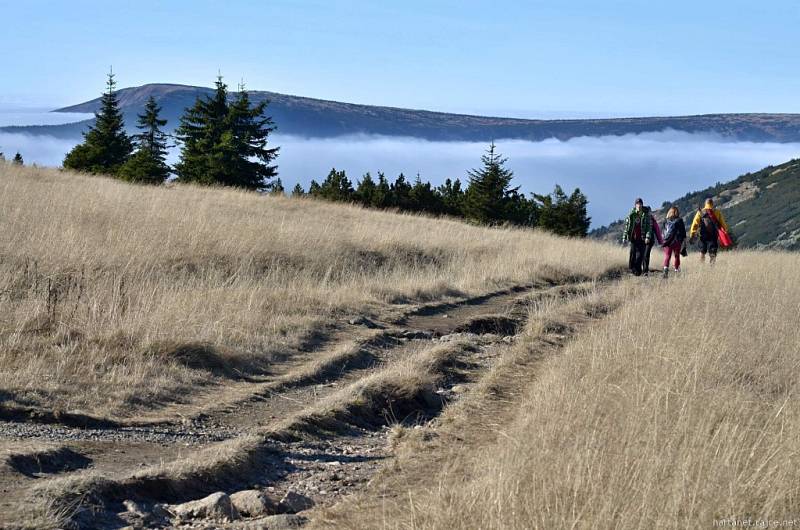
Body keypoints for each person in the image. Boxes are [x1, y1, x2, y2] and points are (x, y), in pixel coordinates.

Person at [689, 198, 729, 265]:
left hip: (703, 234)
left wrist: (692, 233)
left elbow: (694, 224)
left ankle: (701, 266)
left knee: (702, 251)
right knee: (713, 251)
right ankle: (712, 267)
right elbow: (723, 223)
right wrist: (725, 231)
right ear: (712, 204)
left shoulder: (700, 212)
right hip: (713, 235)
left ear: (705, 204)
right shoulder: (717, 212)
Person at [622, 198, 653, 276]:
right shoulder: (631, 215)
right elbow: (627, 227)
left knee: (640, 255)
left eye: (640, 204)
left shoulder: (645, 215)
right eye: (637, 204)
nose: (639, 205)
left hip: (642, 238)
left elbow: (649, 227)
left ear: (642, 205)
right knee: (632, 254)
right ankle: (632, 269)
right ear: (635, 205)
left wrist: (647, 237)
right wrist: (624, 237)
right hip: (633, 238)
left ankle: (638, 271)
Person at [661, 206, 686, 278]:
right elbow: (683, 232)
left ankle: (665, 270)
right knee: (677, 256)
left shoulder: (665, 220)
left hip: (667, 242)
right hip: (677, 241)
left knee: (667, 256)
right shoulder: (679, 220)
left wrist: (664, 241)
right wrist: (684, 242)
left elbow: (663, 232)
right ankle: (676, 270)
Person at [642, 204, 663, 275]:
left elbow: (657, 231)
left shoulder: (652, 220)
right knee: (642, 254)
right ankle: (642, 268)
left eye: (649, 211)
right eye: (647, 211)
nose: (648, 212)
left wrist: (660, 241)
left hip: (650, 240)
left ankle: (645, 271)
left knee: (646, 254)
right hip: (642, 239)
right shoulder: (642, 219)